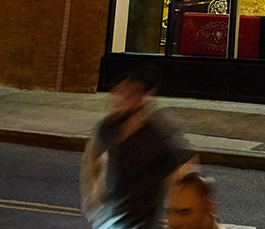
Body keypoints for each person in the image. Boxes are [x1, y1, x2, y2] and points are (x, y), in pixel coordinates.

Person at [82, 65, 197, 229]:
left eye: (132, 93)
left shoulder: (158, 133)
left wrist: (178, 209)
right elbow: (94, 156)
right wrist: (96, 192)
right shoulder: (110, 127)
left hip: (146, 219)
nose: (124, 97)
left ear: (146, 97)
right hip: (116, 213)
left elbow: (186, 166)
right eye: (123, 91)